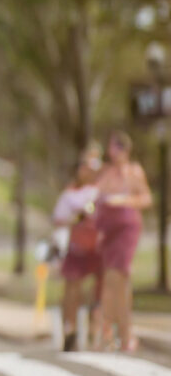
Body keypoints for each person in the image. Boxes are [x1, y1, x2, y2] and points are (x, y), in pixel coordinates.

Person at [95, 131, 151, 352]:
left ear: (125, 150)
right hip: (109, 228)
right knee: (110, 281)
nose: (112, 153)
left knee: (120, 276)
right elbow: (96, 197)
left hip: (127, 226)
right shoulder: (106, 173)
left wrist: (125, 200)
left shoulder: (134, 172)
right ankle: (108, 331)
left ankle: (125, 332)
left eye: (116, 148)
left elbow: (146, 198)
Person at [52, 149, 102, 352]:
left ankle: (95, 329)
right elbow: (58, 219)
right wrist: (76, 217)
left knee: (98, 288)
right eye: (84, 166)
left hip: (98, 245)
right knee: (72, 290)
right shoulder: (70, 193)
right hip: (76, 245)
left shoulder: (100, 191)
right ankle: (70, 331)